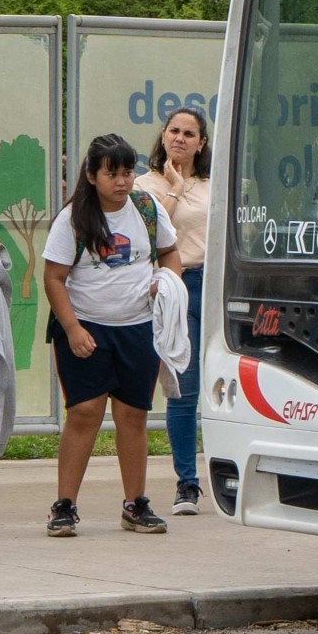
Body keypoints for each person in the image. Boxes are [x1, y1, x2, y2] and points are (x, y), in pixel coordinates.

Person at [42, 134, 182, 537]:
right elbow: (53, 278)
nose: (122, 182)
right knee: (84, 413)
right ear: (91, 176)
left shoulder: (146, 207)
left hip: (138, 329)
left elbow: (171, 253)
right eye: (111, 174)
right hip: (86, 327)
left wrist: (165, 281)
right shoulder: (73, 219)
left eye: (128, 172)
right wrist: (72, 329)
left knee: (133, 414)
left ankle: (135, 505)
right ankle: (64, 506)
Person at [135, 108, 211, 516]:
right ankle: (187, 483)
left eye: (189, 133)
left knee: (214, 387)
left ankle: (225, 473)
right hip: (166, 287)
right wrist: (175, 188)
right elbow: (149, 231)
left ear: (202, 143)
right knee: (182, 387)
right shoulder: (142, 185)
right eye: (174, 131)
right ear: (163, 136)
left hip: (208, 286)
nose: (180, 138)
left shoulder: (214, 185)